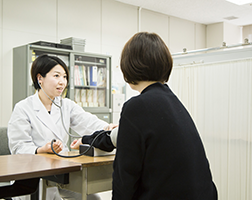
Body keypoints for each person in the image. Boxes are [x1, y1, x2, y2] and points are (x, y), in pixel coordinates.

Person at [73, 32, 218, 200]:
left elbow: (124, 179)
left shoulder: (137, 107)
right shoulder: (172, 102)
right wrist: (85, 140)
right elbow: (113, 136)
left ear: (129, 65)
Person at [8, 54, 115, 200]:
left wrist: (108, 127)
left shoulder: (66, 105)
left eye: (64, 77)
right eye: (57, 76)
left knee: (93, 198)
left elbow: (88, 122)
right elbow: (18, 147)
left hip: (61, 173)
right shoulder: (23, 108)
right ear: (40, 78)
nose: (62, 82)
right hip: (34, 176)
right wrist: (41, 150)